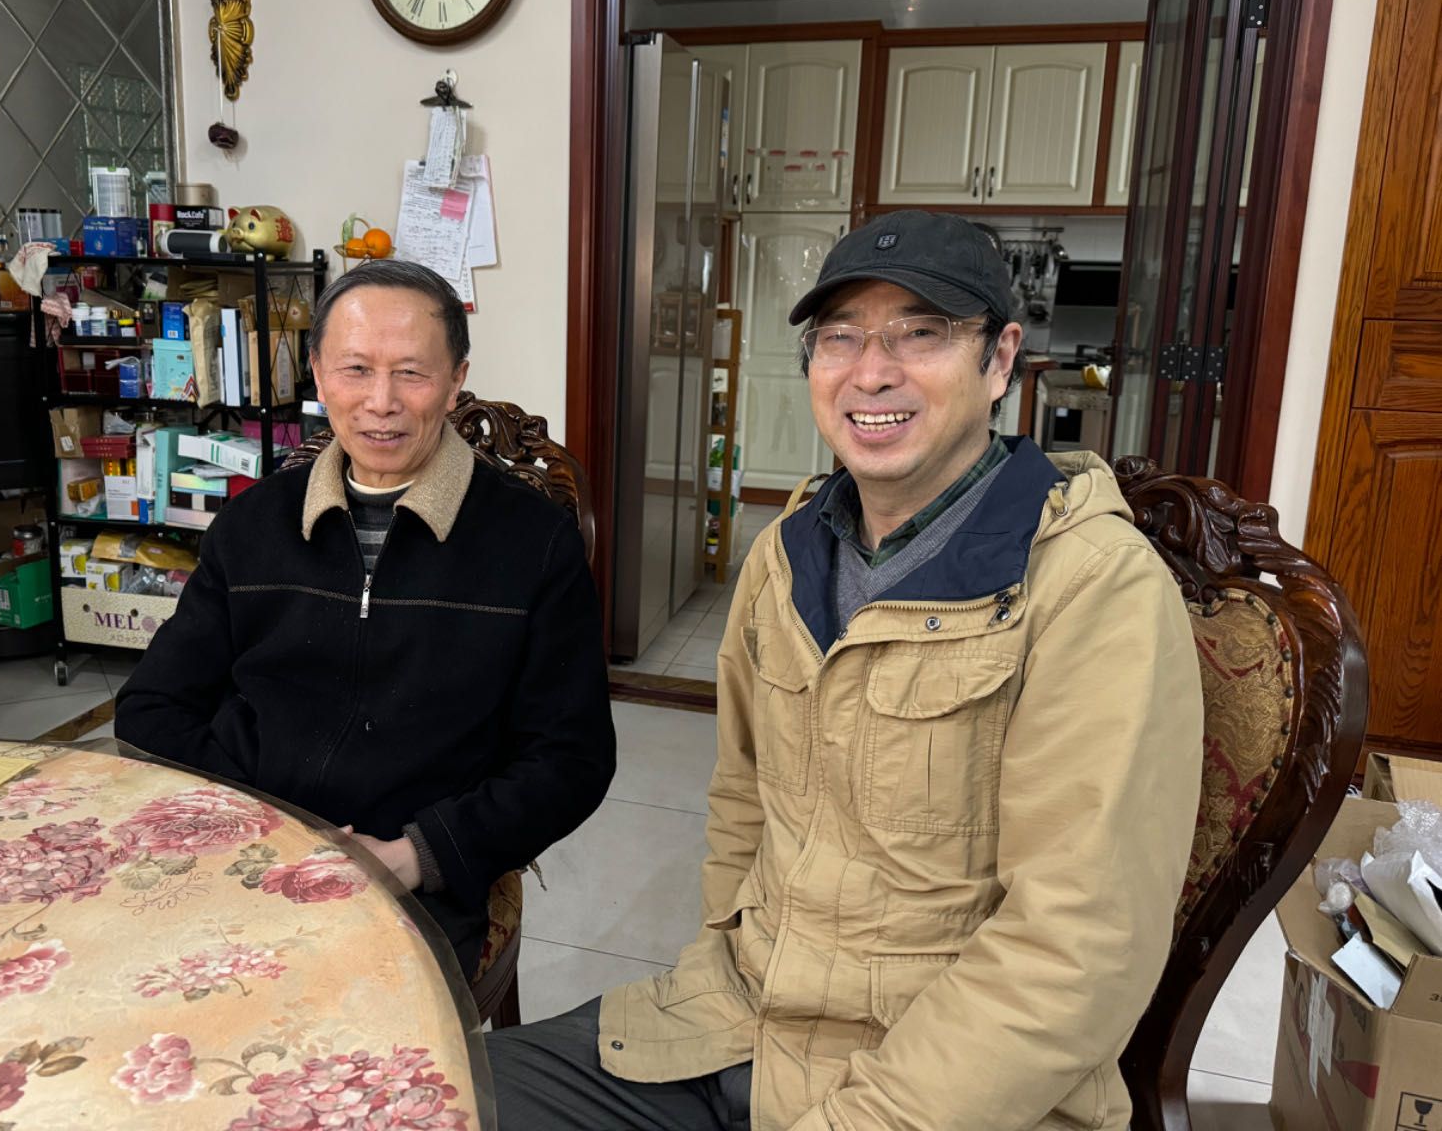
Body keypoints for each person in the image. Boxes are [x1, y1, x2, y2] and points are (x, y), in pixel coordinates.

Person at [487, 210, 1203, 1130]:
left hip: (937, 1092)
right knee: (422, 1095)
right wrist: (722, 953)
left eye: (921, 333)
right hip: (735, 1025)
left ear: (1000, 360)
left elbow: (1075, 953)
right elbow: (742, 802)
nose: (872, 372)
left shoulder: (1090, 586)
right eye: (841, 337)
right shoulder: (785, 555)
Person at [116, 259, 616, 982]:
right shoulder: (253, 525)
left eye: (411, 373)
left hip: (414, 878)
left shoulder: (532, 544)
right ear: (319, 376)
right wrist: (266, 823)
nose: (381, 403)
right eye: (355, 370)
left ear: (455, 381)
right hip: (246, 843)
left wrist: (417, 855)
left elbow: (571, 759)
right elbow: (152, 707)